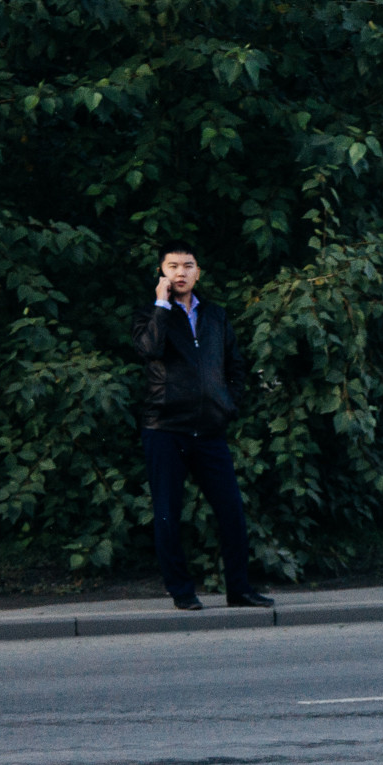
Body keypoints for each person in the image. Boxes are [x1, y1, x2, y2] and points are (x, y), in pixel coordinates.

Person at [130, 242, 274, 611]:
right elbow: (150, 349)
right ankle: (182, 592)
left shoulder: (215, 315)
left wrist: (228, 404)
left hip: (209, 430)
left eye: (188, 265)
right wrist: (162, 306)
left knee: (231, 510)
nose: (180, 273)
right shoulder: (149, 313)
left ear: (198, 272)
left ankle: (239, 590)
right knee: (167, 511)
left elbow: (234, 366)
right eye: (172, 266)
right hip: (165, 426)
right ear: (162, 273)